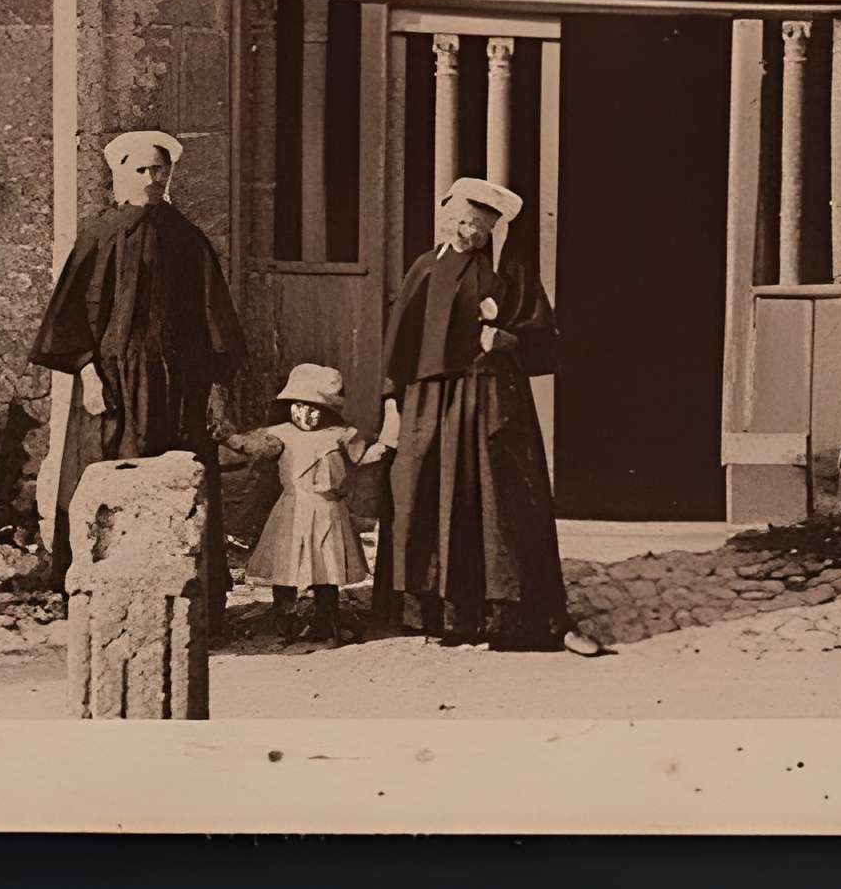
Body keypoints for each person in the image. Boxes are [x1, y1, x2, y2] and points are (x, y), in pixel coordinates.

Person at [29, 129, 250, 626]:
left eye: (160, 170)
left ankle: (193, 605)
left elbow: (216, 318)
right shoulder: (98, 235)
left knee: (180, 483)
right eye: (141, 170)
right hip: (113, 387)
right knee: (110, 476)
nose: (151, 179)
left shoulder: (187, 238)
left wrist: (215, 385)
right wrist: (88, 374)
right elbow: (68, 317)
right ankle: (108, 604)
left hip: (178, 388)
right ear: (119, 173)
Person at [377, 175, 604, 655]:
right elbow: (400, 343)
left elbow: (542, 334)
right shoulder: (424, 268)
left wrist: (505, 340)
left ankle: (509, 616)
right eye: (461, 221)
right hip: (430, 405)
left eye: (479, 226)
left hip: (492, 400)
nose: (468, 233)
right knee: (431, 497)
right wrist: (392, 405)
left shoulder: (509, 271)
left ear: (492, 229)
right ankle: (442, 616)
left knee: (498, 502)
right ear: (445, 220)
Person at [222, 362, 391, 646]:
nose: (307, 414)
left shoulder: (341, 434)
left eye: (315, 408)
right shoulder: (281, 434)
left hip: (328, 510)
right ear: (289, 405)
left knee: (327, 566)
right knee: (287, 564)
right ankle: (285, 616)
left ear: (327, 410)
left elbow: (363, 455)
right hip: (294, 508)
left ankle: (326, 618)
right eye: (299, 406)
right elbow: (254, 447)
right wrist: (228, 437)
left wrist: (387, 443)